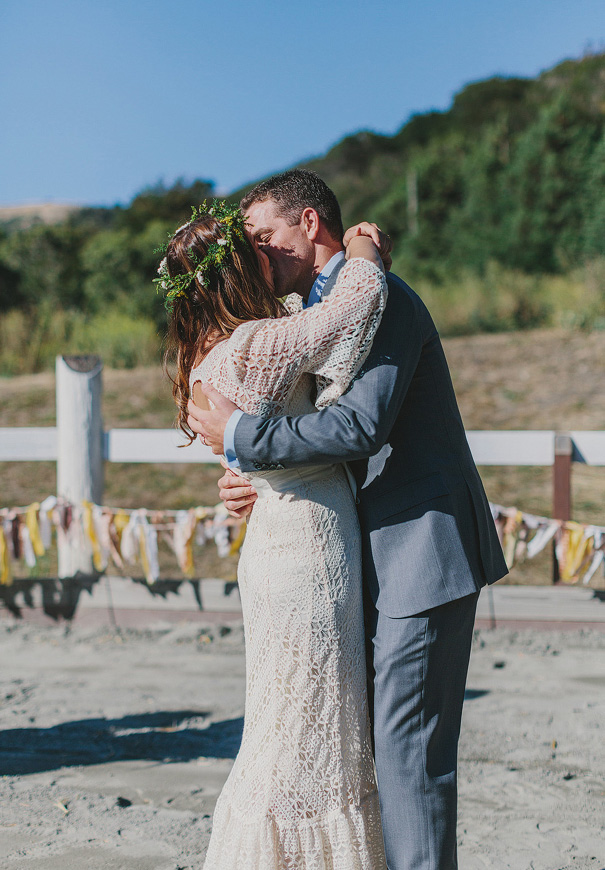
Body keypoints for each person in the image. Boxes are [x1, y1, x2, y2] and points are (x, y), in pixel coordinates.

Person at [187, 170, 509, 870]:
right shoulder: (310, 311)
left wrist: (244, 440)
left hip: (418, 546)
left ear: (309, 223)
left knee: (408, 756)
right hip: (352, 556)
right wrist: (248, 478)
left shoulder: (379, 297)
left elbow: (360, 426)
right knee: (363, 748)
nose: (256, 253)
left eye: (264, 236)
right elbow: (295, 424)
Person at [161, 199, 389, 868]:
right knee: (307, 737)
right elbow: (354, 307)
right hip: (307, 551)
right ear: (236, 271)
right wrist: (364, 248)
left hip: (273, 545)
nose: (268, 252)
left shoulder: (209, 356)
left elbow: (246, 445)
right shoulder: (257, 343)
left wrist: (240, 480)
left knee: (283, 725)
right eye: (254, 248)